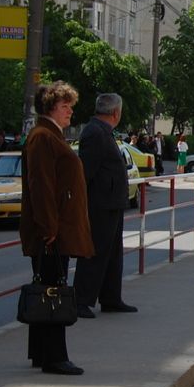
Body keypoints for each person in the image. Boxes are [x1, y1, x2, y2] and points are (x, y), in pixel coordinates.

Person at [19, 82, 94, 375]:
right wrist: (49, 226)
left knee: (46, 287)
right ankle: (53, 357)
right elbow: (41, 186)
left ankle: (40, 353)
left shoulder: (49, 135)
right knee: (53, 291)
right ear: (51, 107)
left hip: (54, 229)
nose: (70, 112)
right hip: (51, 232)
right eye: (65, 107)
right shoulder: (42, 137)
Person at [74, 93, 137, 318]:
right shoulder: (95, 132)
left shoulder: (103, 131)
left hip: (111, 203)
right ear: (115, 113)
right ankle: (81, 300)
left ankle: (111, 298)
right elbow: (87, 172)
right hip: (100, 204)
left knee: (112, 253)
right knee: (94, 252)